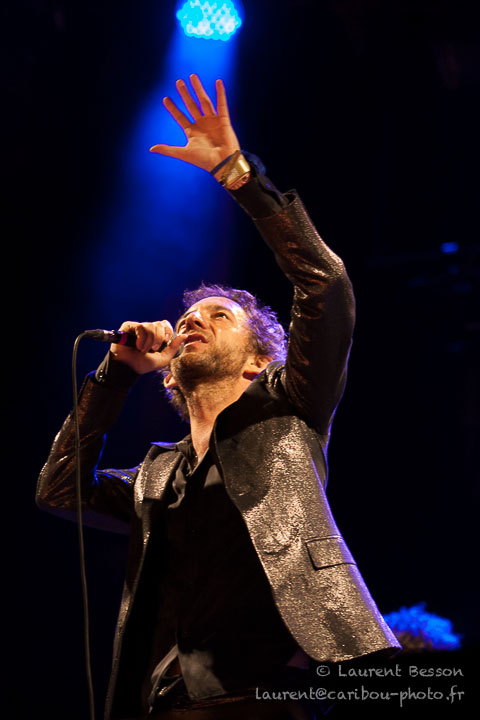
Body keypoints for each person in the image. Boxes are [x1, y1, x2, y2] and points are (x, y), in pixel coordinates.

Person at [37, 75, 400, 720]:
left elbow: (326, 285)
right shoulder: (157, 477)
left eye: (220, 316)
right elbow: (60, 490)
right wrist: (116, 375)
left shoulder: (290, 410)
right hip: (169, 705)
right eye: (189, 318)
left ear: (260, 362)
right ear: (170, 376)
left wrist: (238, 174)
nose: (194, 320)